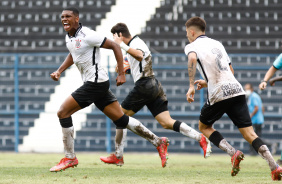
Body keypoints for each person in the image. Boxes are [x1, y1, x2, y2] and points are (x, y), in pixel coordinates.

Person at [49, 7, 169, 172]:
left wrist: (121, 73)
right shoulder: (69, 37)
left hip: (95, 83)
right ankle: (158, 141)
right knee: (121, 119)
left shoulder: (88, 34)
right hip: (98, 83)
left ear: (76, 18)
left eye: (68, 16)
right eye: (62, 16)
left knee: (63, 112)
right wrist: (59, 71)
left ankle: (70, 158)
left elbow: (114, 45)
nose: (64, 19)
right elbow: (73, 53)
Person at [100, 23, 211, 167]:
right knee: (166, 122)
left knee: (119, 116)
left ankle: (120, 155)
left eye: (115, 38)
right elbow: (139, 62)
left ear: (120, 35)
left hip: (144, 85)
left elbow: (139, 55)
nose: (115, 41)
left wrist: (121, 45)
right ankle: (199, 137)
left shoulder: (135, 44)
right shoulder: (136, 44)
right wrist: (126, 68)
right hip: (153, 85)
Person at [184, 16, 282, 180]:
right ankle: (275, 167)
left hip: (219, 93)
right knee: (250, 134)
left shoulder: (191, 46)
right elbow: (231, 71)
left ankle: (233, 153)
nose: (187, 36)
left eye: (187, 33)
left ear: (192, 32)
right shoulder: (218, 44)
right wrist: (207, 82)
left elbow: (192, 59)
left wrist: (191, 85)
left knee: (204, 126)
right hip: (236, 89)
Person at [244, 83, 264, 155]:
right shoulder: (253, 96)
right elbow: (262, 108)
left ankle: (271, 144)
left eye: (247, 89)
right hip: (258, 119)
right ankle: (252, 152)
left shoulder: (253, 96)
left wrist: (250, 116)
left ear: (251, 89)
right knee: (255, 136)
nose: (246, 90)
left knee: (254, 136)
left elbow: (256, 108)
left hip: (256, 120)